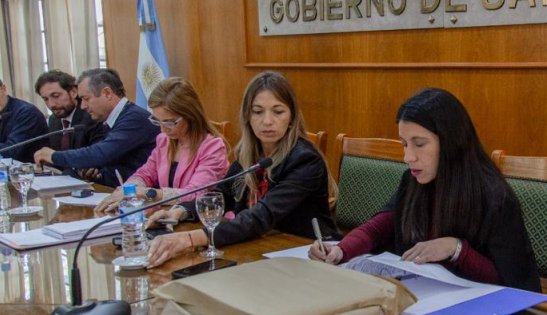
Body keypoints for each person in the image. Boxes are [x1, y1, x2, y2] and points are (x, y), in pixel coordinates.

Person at [309, 88, 541, 292]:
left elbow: (511, 282)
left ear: (451, 142)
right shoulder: (413, 180)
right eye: (404, 144)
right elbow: (382, 226)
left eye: (419, 144)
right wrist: (341, 250)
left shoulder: (493, 196)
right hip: (423, 300)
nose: (408, 157)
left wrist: (456, 249)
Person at [145, 71, 336, 267]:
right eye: (258, 111)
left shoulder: (305, 160)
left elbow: (261, 216)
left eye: (278, 112)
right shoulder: (250, 155)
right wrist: (179, 212)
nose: (267, 121)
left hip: (308, 255)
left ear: (292, 117)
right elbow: (222, 195)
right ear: (247, 115)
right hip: (260, 251)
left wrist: (189, 239)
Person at [95, 77, 229, 212]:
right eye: (158, 121)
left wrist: (146, 193)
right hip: (167, 217)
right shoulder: (164, 141)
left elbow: (195, 195)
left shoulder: (213, 148)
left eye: (169, 122)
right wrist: (128, 190)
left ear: (190, 115)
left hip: (200, 220)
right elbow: (145, 174)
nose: (163, 129)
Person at [33, 68, 158, 188]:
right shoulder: (112, 119)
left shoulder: (134, 119)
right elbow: (115, 166)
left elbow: (100, 153)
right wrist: (96, 175)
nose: (83, 106)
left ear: (107, 93)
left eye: (86, 99)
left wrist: (53, 156)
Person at [35, 70, 107, 178]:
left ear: (73, 92)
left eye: (56, 96)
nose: (51, 104)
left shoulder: (91, 116)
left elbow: (97, 158)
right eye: (45, 99)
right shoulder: (54, 120)